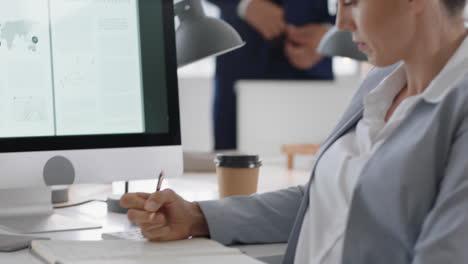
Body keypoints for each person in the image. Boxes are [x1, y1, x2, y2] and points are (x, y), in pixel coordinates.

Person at [121, 0, 468, 263]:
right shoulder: (385, 79)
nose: (341, 22)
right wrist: (198, 216)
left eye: (352, 2)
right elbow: (328, 198)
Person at [204, 0, 335, 150]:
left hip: (313, 65)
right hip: (239, 65)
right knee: (231, 162)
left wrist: (331, 30)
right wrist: (243, 4)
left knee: (316, 164)